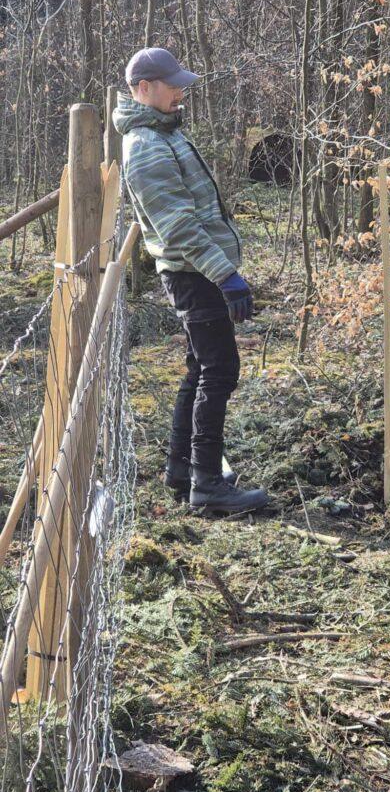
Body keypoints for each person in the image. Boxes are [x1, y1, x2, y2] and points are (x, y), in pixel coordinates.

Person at [112, 46, 269, 514]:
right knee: (220, 370)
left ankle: (182, 471)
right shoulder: (146, 146)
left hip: (197, 271)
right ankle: (208, 486)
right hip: (193, 273)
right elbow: (178, 227)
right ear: (144, 88)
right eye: (173, 85)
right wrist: (226, 275)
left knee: (202, 367)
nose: (181, 92)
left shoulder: (163, 131)